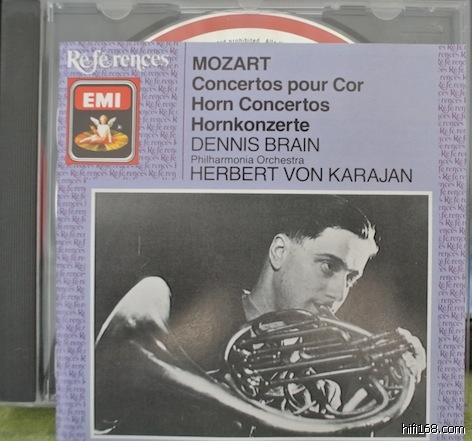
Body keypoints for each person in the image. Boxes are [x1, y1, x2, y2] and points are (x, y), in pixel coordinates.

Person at [94, 195, 426, 436]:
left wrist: (367, 396)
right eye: (328, 266)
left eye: (351, 278)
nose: (339, 294)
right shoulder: (195, 328)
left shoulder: (325, 392)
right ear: (279, 252)